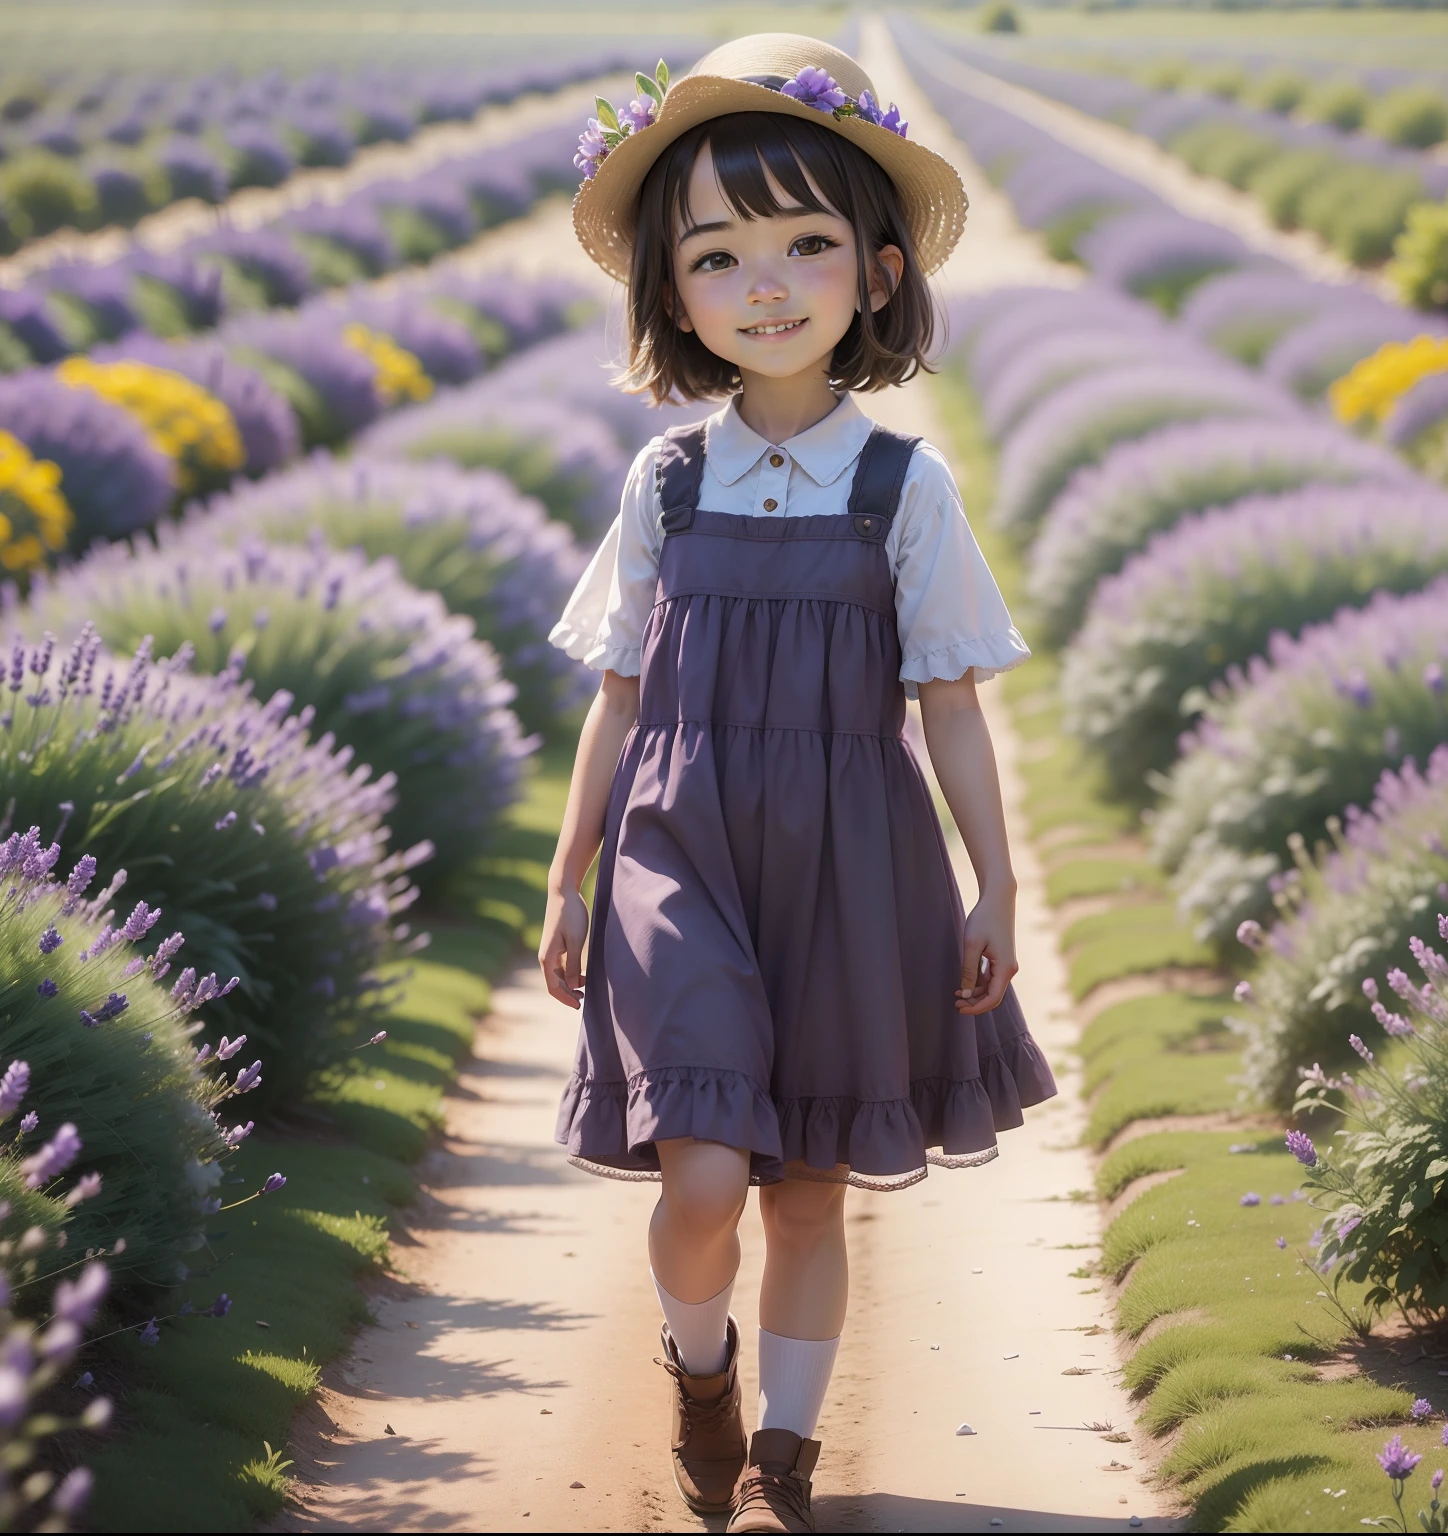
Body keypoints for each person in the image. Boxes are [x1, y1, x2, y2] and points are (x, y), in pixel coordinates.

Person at [539, 34, 1055, 1534]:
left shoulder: (904, 486)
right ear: (672, 291)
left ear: (878, 274)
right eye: (718, 255)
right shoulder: (667, 482)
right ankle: (696, 1363)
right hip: (678, 847)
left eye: (806, 244)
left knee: (807, 1187)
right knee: (701, 1176)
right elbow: (619, 693)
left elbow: (948, 703)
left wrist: (996, 884)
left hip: (849, 856)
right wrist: (569, 874)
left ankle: (785, 1455)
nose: (765, 285)